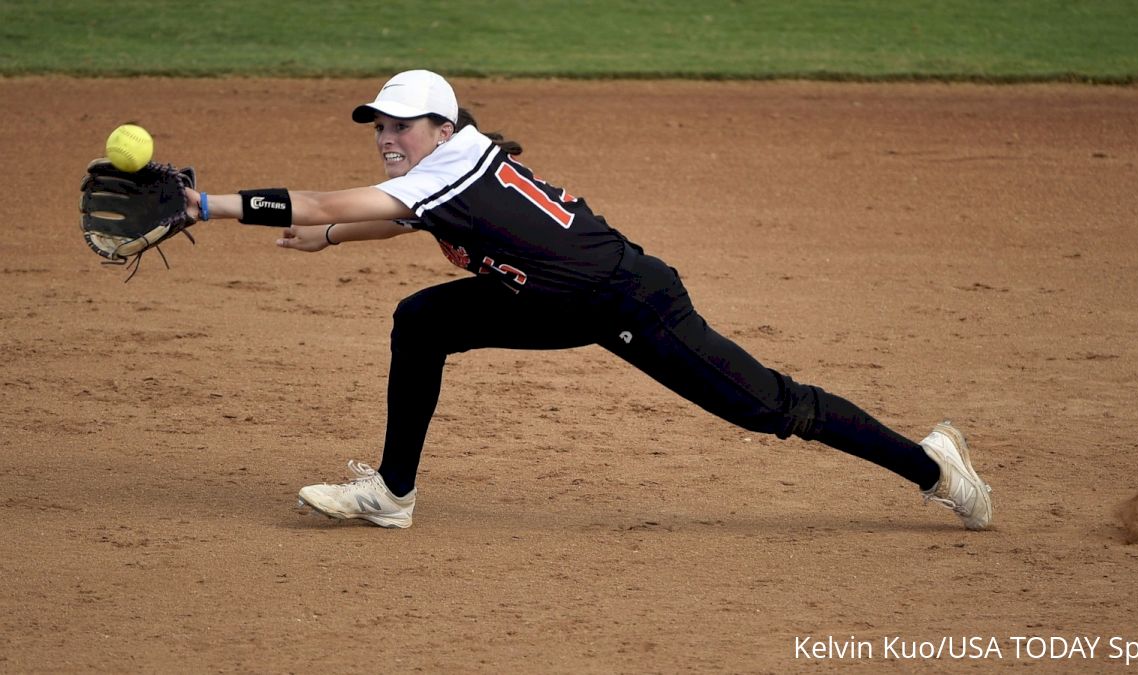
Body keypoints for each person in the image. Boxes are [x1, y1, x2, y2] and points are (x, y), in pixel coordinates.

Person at [186, 69, 993, 531]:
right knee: (422, 319)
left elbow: (334, 201)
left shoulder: (447, 169)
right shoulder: (453, 163)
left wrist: (207, 205)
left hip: (633, 303)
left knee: (768, 408)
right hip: (551, 301)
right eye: (377, 127)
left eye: (401, 125)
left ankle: (932, 466)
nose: (386, 137)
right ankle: (393, 495)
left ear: (440, 125)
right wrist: (331, 242)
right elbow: (399, 218)